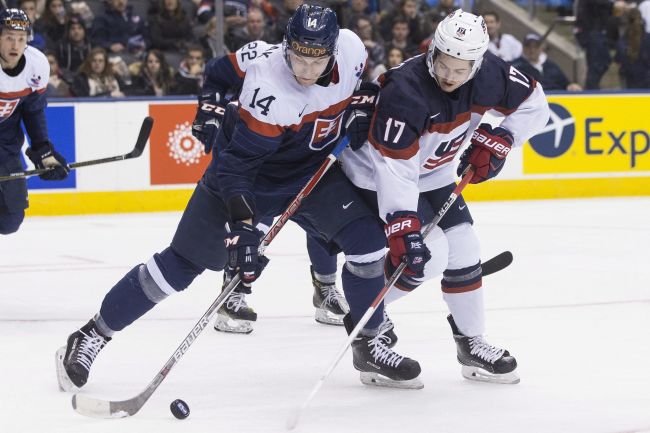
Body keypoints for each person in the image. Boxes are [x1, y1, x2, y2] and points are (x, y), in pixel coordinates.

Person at [56, 4, 422, 393]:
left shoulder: (350, 47)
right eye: (297, 57)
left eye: (316, 61)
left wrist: (363, 99)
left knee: (368, 242)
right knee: (180, 266)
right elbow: (237, 169)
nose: (305, 70)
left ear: (332, 50)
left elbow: (360, 82)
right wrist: (244, 230)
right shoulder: (269, 86)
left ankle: (369, 342)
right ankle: (93, 334)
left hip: (312, 176)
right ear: (286, 46)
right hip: (250, 179)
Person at [340, 10, 550, 384]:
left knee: (465, 246)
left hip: (432, 172)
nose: (449, 76)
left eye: (461, 68)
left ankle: (471, 344)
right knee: (429, 255)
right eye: (443, 64)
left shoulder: (490, 74)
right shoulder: (405, 91)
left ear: (478, 62)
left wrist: (503, 139)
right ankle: (367, 315)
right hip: (375, 177)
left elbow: (536, 103)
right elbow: (396, 171)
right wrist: (402, 225)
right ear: (432, 50)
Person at [0, 9, 69, 235]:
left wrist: (43, 150)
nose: (15, 45)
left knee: (10, 220)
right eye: (9, 37)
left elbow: (33, 109)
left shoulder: (36, 64)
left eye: (21, 39)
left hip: (5, 142)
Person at [511, 33, 582, 91]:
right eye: (528, 46)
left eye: (535, 47)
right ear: (523, 48)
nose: (532, 50)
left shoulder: (551, 65)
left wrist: (571, 86)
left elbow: (565, 84)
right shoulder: (515, 67)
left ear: (542, 47)